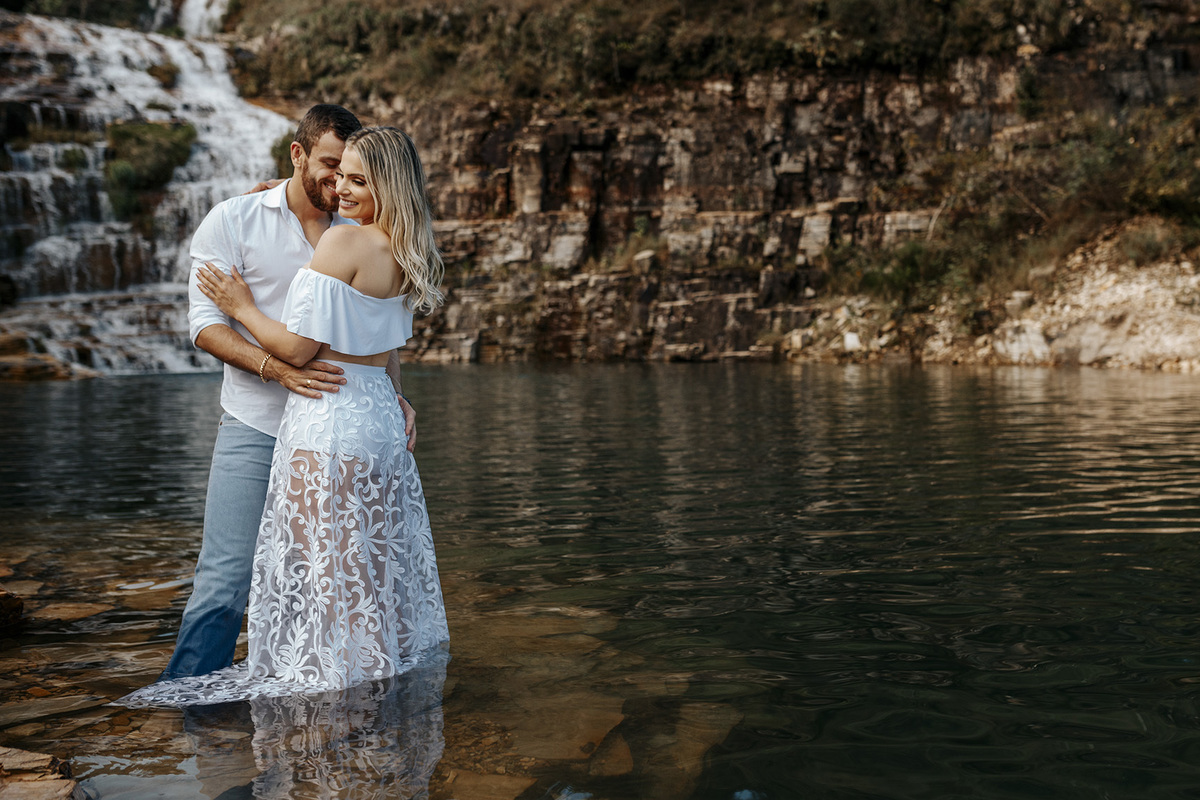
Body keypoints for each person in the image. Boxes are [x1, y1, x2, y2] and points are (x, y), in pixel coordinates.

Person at [121, 126, 448, 706]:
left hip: (326, 423)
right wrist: (392, 392)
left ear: (384, 184)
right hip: (366, 420)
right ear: (301, 157)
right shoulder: (400, 242)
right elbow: (380, 340)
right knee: (367, 573)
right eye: (335, 171)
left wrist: (241, 306)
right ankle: (380, 704)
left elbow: (299, 349)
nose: (339, 186)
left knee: (318, 570)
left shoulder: (345, 238)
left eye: (354, 178)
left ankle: (304, 706)